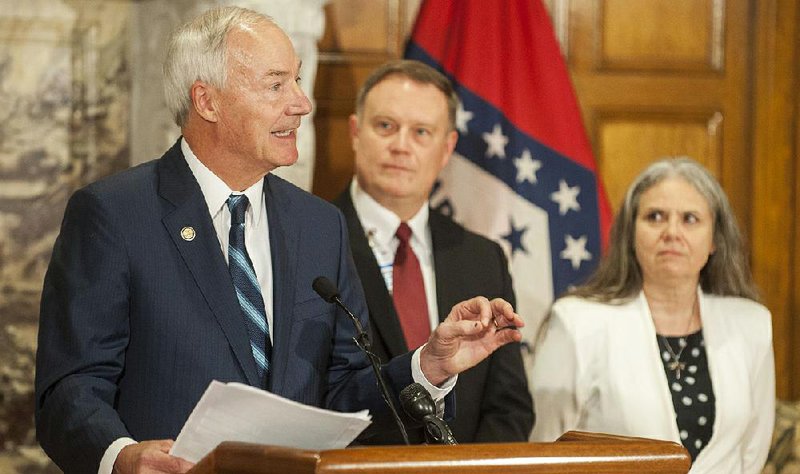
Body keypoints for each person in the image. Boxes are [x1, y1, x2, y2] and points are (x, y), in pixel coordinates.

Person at [34, 7, 524, 474]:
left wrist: (428, 367)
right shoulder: (115, 214)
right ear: (207, 101)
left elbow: (346, 396)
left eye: (297, 79)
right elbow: (70, 387)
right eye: (276, 85)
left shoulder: (319, 225)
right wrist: (121, 457)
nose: (302, 103)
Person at [333, 60, 534, 444]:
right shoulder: (310, 241)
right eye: (385, 126)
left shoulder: (482, 257)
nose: (401, 146)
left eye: (421, 132)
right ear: (356, 133)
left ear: (447, 148)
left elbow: (509, 408)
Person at [530, 157, 774, 473]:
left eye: (690, 219)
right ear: (630, 234)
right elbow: (544, 454)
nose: (672, 232)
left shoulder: (752, 325)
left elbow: (751, 454)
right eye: (655, 217)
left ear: (714, 239)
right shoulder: (577, 323)